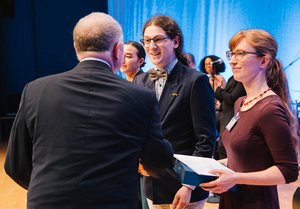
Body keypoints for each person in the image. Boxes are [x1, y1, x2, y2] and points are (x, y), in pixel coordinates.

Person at [4, 12, 174, 209]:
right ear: (118, 50)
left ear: (76, 48)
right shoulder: (141, 97)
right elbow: (156, 162)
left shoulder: (35, 90)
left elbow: (15, 165)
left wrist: (51, 190)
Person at [200, 29, 299, 209]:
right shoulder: (241, 102)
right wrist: (213, 164)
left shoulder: (269, 109)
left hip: (256, 203)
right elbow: (246, 157)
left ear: (264, 60)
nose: (232, 60)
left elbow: (288, 171)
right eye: (232, 53)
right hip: (232, 198)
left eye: (241, 53)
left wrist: (236, 177)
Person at [134, 15, 216, 209]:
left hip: (184, 186)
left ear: (176, 41)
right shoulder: (141, 80)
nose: (152, 46)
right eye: (147, 40)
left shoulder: (195, 81)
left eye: (159, 39)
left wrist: (189, 185)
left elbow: (205, 139)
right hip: (152, 184)